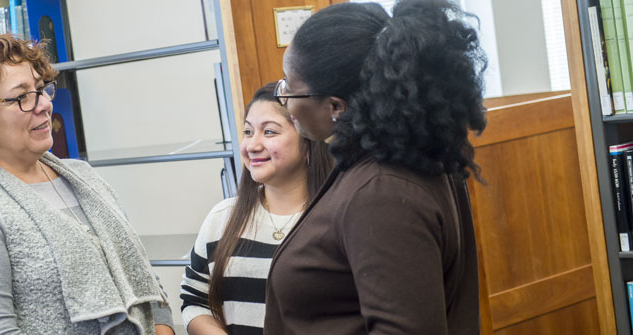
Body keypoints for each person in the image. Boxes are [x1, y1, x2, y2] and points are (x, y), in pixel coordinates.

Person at [0, 34, 175, 335]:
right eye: (22, 97)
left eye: (41, 89)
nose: (43, 105)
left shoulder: (85, 177)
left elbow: (146, 283)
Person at [264, 1, 485, 334]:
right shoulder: (402, 157)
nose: (284, 100)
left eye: (290, 89)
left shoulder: (382, 193)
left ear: (335, 106)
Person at [180, 82, 333, 335]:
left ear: (308, 142)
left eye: (269, 132)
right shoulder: (223, 217)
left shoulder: (337, 217)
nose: (252, 145)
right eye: (248, 132)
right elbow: (195, 300)